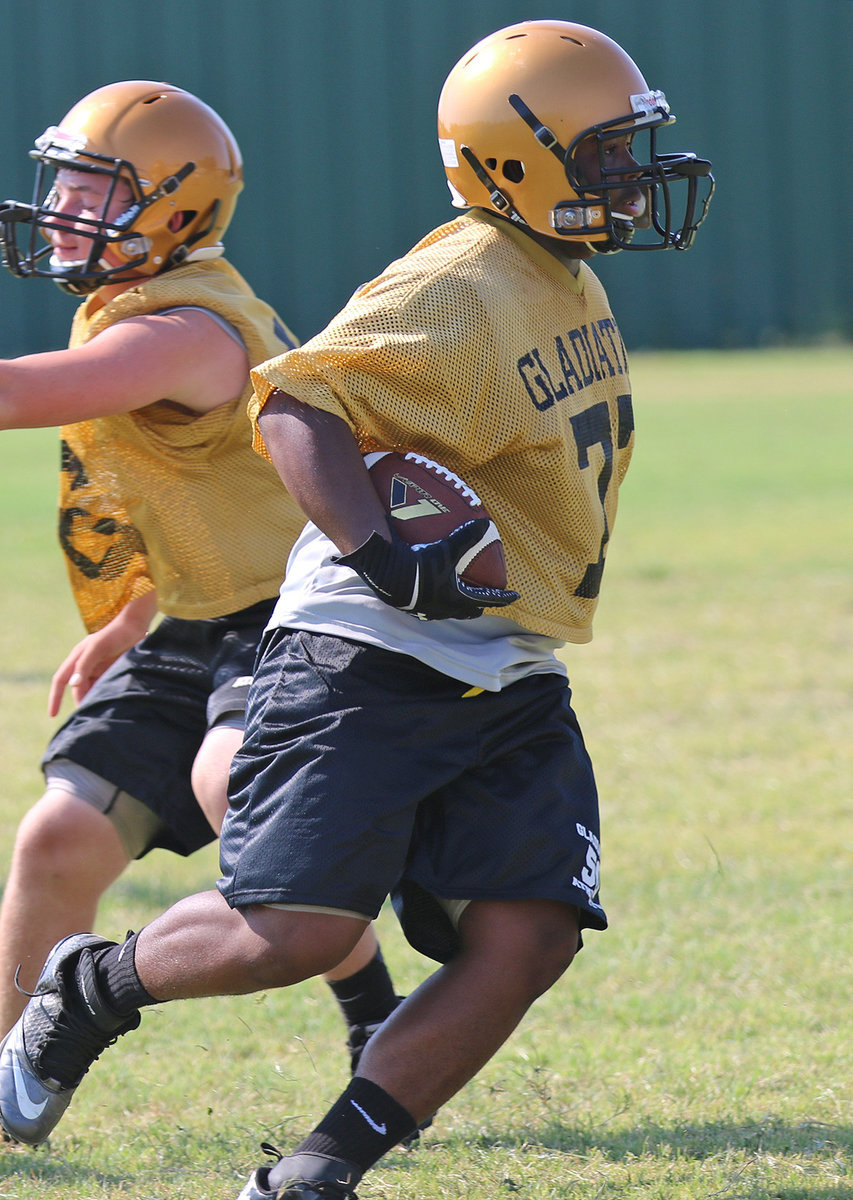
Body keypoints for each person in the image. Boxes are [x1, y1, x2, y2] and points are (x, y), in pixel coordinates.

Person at [0, 22, 714, 1198]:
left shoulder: (558, 274)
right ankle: (90, 989)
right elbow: (293, 405)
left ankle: (321, 1168)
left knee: (530, 933)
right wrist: (387, 558)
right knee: (288, 928)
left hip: (505, 654)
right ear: (521, 158)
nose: (632, 180)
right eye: (608, 156)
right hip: (371, 648)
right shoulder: (459, 280)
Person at [0, 81, 402, 1067]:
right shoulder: (132, 302)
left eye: (96, 193)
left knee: (246, 817)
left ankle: (373, 1006)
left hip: (294, 621)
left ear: (175, 212)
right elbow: (206, 494)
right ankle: (10, 1069)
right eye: (67, 186)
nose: (63, 211)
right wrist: (133, 611)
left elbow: (15, 395)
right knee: (57, 838)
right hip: (197, 621)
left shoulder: (183, 330)